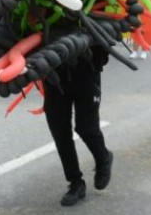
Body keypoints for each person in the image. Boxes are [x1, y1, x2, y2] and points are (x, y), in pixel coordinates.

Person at [43, 40, 114, 207]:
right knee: (60, 131)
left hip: (86, 70)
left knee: (86, 127)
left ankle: (103, 157)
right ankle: (76, 183)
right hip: (54, 73)